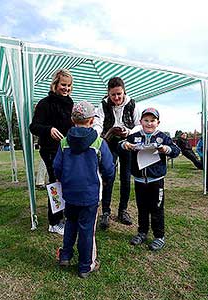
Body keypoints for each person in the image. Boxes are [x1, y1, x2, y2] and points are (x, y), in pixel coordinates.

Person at [53, 101, 115, 278]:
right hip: (90, 195)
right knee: (87, 230)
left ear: (73, 120)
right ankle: (85, 266)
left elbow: (57, 167)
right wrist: (107, 181)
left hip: (70, 193)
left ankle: (65, 256)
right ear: (91, 120)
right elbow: (109, 169)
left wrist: (62, 179)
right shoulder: (98, 142)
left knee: (70, 224)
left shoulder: (64, 142)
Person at [120, 108, 180, 251]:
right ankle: (142, 232)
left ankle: (159, 237)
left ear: (158, 122)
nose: (149, 123)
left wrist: (166, 149)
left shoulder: (162, 137)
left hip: (156, 181)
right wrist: (125, 145)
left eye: (152, 120)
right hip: (140, 181)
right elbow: (119, 145)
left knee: (157, 208)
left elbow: (176, 150)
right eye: (146, 120)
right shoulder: (134, 136)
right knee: (142, 208)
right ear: (140, 122)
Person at [29, 69, 74, 235]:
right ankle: (54, 222)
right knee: (55, 183)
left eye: (69, 86)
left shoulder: (70, 103)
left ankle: (63, 215)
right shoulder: (44, 103)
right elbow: (33, 126)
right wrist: (49, 130)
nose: (66, 88)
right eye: (63, 85)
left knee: (65, 182)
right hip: (49, 150)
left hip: (66, 150)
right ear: (55, 84)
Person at [93, 76, 141, 229]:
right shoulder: (103, 105)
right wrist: (97, 135)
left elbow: (139, 124)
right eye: (113, 94)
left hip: (127, 142)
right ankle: (106, 211)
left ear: (123, 91)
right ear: (108, 93)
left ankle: (123, 210)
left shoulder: (132, 103)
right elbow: (98, 123)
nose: (116, 98)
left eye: (119, 94)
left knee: (126, 177)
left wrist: (129, 131)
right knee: (108, 175)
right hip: (109, 142)